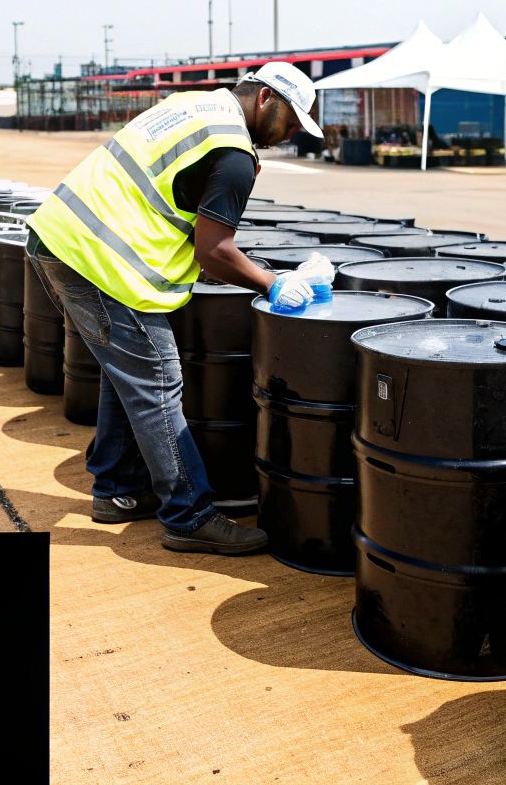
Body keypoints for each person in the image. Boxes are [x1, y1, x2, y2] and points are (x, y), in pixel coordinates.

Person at [25, 61, 322, 555]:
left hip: (65, 238)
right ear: (266, 98)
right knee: (159, 381)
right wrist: (273, 284)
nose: (289, 136)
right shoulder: (232, 151)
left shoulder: (194, 105)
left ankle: (116, 491)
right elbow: (214, 251)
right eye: (290, 122)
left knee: (131, 376)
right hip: (96, 259)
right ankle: (189, 515)